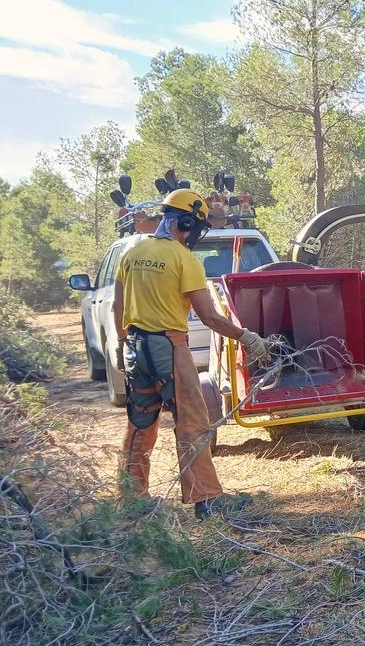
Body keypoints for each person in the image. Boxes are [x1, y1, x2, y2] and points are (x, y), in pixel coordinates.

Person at [113, 188, 270, 519]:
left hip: (135, 348)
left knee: (140, 423)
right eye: (195, 229)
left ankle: (131, 498)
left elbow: (118, 306)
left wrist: (120, 343)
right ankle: (208, 499)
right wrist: (248, 338)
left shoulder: (132, 254)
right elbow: (210, 317)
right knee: (192, 423)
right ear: (185, 222)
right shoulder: (185, 260)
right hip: (170, 347)